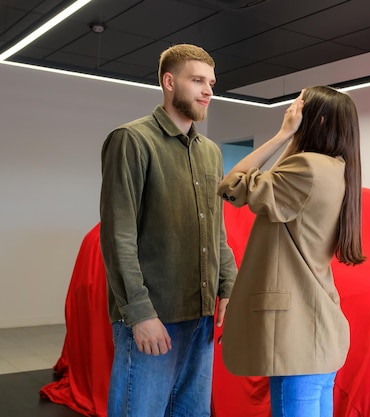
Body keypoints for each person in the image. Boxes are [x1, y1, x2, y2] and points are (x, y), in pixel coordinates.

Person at [99, 44, 237, 417]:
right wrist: (140, 314)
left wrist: (228, 288)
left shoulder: (211, 151)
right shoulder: (131, 140)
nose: (208, 90)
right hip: (153, 318)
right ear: (169, 81)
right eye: (197, 81)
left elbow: (216, 231)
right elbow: (118, 237)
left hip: (202, 318)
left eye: (211, 83)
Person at [217, 86, 366, 417]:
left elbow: (232, 187)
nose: (292, 112)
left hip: (297, 339)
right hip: (319, 334)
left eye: (300, 108)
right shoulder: (336, 169)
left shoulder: (306, 169)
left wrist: (284, 134)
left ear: (317, 119)